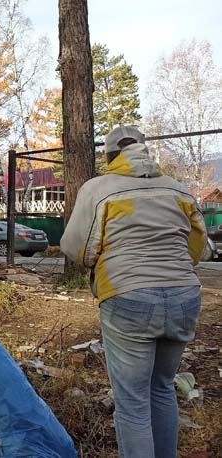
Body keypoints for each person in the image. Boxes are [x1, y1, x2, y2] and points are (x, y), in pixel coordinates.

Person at [61, 125, 206, 458]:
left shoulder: (99, 188)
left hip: (129, 296)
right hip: (185, 296)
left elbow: (77, 249)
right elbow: (197, 249)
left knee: (133, 403)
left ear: (110, 156)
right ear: (145, 150)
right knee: (162, 388)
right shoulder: (178, 190)